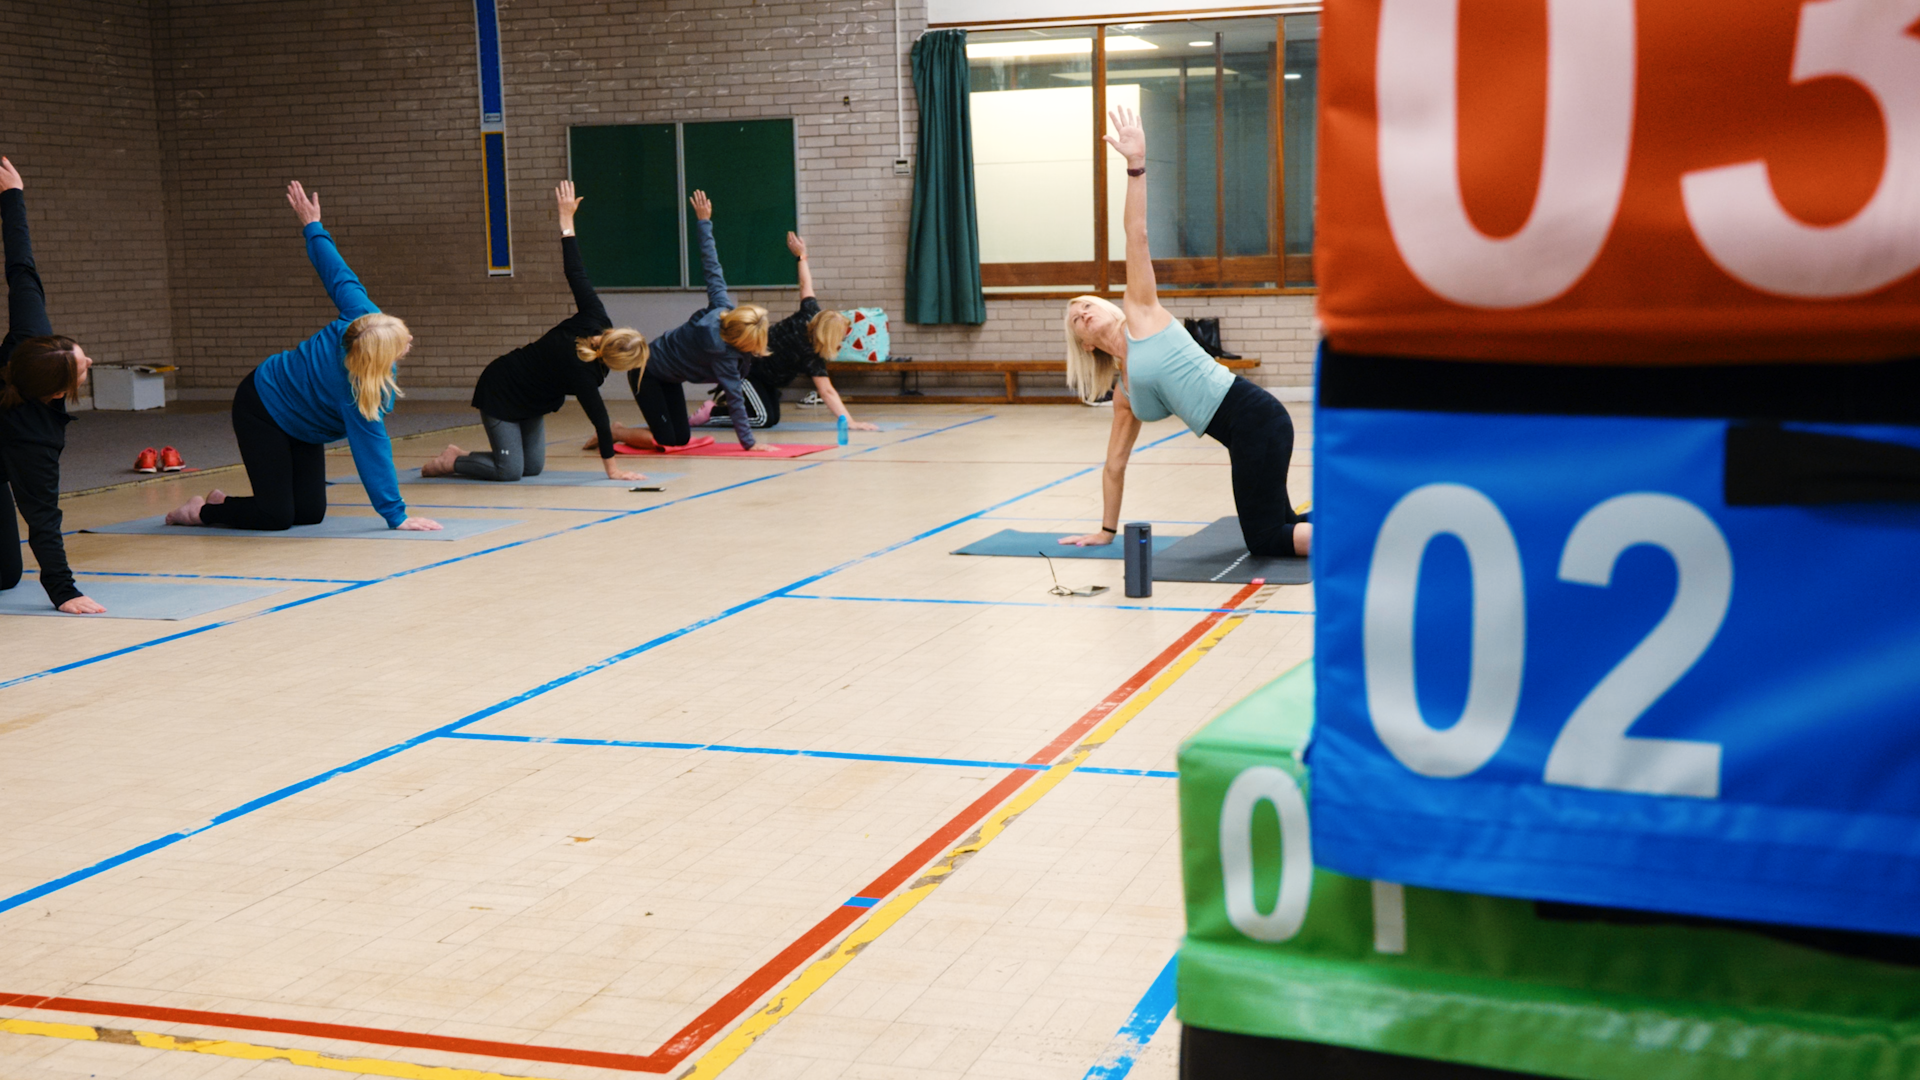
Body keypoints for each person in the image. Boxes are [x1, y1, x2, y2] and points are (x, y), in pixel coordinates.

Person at [1059, 106, 1309, 557]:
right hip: (1247, 431)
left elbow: (1137, 234)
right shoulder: (1124, 393)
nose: (1082, 313)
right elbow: (1115, 465)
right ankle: (1364, 521)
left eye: (1087, 304)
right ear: (1083, 343)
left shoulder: (1141, 311)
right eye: (1076, 318)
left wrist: (1136, 167)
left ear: (1108, 306)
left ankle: (1367, 542)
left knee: (1268, 539)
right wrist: (1105, 531)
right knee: (1282, 524)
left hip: (1255, 418)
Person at [166, 182, 441, 533]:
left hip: (305, 424)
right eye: (401, 341)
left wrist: (313, 226)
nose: (410, 340)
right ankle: (198, 512)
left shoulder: (362, 315)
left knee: (309, 513)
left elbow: (335, 270)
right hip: (263, 406)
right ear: (373, 359)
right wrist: (396, 515)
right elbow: (373, 450)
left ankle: (224, 503)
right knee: (276, 517)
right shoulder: (357, 390)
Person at [421, 182, 649, 482]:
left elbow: (576, 272)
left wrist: (566, 218)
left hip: (532, 403)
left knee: (532, 468)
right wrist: (613, 470)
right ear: (616, 363)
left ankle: (468, 457)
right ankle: (453, 460)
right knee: (510, 471)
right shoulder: (583, 370)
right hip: (502, 390)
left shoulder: (597, 318)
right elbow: (600, 420)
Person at [590, 191, 775, 453]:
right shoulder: (723, 354)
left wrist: (704, 221)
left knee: (681, 439)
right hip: (646, 371)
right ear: (741, 341)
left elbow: (712, 266)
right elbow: (734, 398)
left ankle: (629, 431)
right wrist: (750, 444)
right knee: (667, 441)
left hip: (670, 377)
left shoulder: (723, 308)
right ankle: (615, 430)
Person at [0, 156, 106, 614]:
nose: (90, 361)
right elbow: (43, 518)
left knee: (6, 576)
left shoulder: (32, 342)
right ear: (58, 392)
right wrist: (65, 590)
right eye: (84, 367)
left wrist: (13, 197)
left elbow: (22, 267)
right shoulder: (36, 439)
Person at [690, 232, 878, 433]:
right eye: (841, 335)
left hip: (766, 378)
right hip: (746, 369)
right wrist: (849, 422)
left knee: (772, 419)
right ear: (829, 336)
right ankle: (713, 413)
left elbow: (806, 285)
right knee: (762, 419)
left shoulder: (810, 313)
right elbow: (827, 391)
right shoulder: (810, 352)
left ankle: (729, 408)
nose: (843, 338)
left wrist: (801, 256)